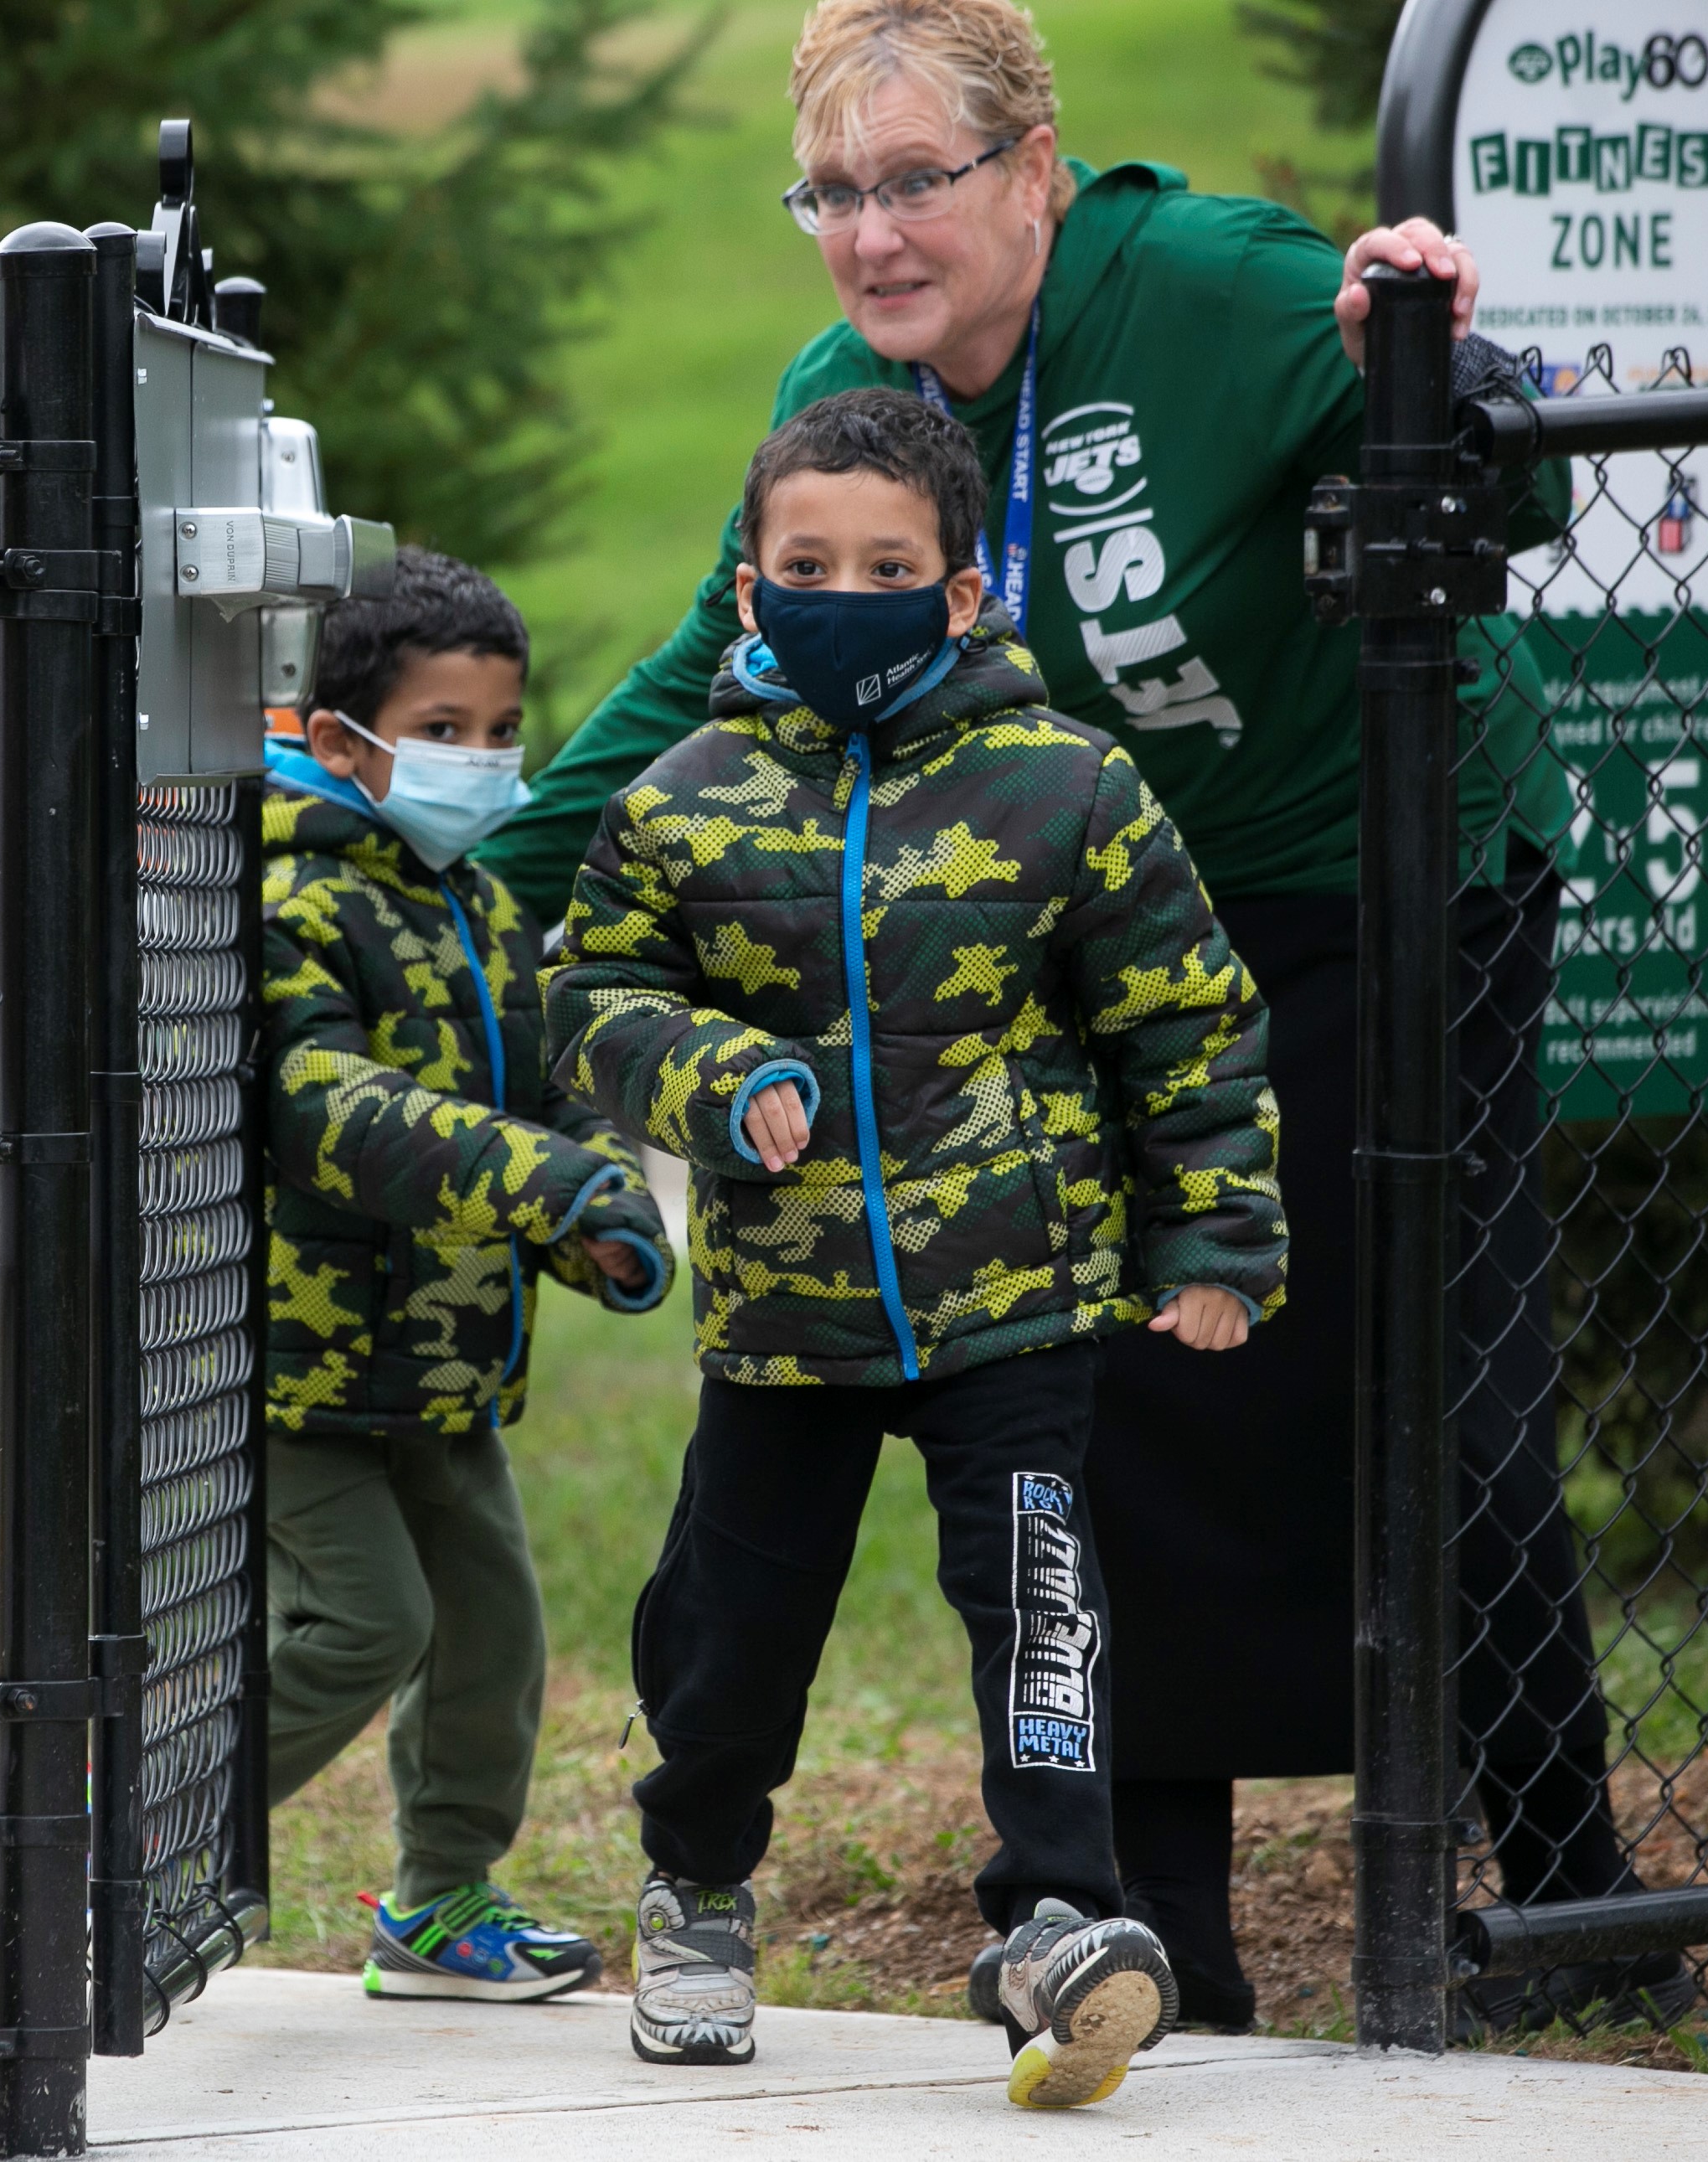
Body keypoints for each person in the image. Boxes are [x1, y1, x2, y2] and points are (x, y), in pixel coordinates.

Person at [487, 0, 1669, 2036]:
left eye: (914, 180)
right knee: (1118, 1384)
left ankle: (1573, 1893)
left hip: (1384, 879)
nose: (868, 234)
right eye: (833, 193)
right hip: (1099, 924)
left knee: (1429, 1374)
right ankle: (1151, 1928)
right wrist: (469, 879)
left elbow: (1503, 476)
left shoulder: (1203, 278)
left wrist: (1426, 350)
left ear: (1034, 170)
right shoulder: (843, 396)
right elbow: (709, 674)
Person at [541, 388, 1287, 2103]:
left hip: (1008, 1309)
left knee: (1039, 1613)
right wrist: (714, 1076)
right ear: (750, 585)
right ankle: (699, 1885)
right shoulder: (682, 801)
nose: (840, 590)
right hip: (779, 1322)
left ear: (962, 592)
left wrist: (1216, 1237)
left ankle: (1054, 1918)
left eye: (885, 565)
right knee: (726, 1636)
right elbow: (587, 998)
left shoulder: (1067, 785)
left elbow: (1187, 1022)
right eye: (805, 562)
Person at [261, 548, 676, 2004]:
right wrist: (533, 1174)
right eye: (443, 733)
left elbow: (537, 1088)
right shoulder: (295, 898)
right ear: (339, 741)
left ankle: (441, 1902)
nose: (483, 763)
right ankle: (144, 1837)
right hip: (296, 1363)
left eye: (503, 734)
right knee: (371, 1620)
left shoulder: (482, 901)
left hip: (441, 1361)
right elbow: (316, 1100)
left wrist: (592, 1203)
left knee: (492, 1626)